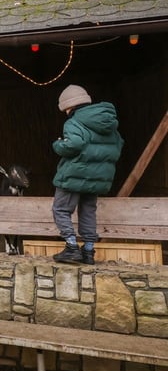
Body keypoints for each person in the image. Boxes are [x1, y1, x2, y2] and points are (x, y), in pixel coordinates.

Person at [51, 85, 124, 265]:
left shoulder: (74, 122)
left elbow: (73, 144)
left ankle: (71, 247)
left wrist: (58, 145)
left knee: (60, 209)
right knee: (88, 211)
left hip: (74, 175)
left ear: (69, 106)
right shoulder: (108, 122)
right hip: (97, 178)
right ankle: (89, 251)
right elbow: (118, 145)